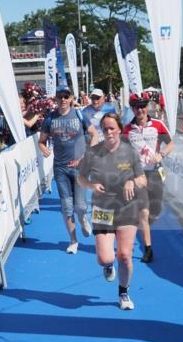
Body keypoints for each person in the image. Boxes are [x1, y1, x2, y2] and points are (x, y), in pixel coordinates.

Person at [78, 113, 147, 311]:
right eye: (105, 128)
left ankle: (123, 292)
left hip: (126, 207)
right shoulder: (92, 153)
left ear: (119, 129)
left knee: (125, 256)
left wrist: (131, 181)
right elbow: (81, 178)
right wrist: (91, 185)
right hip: (102, 209)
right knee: (105, 258)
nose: (108, 132)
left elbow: (143, 180)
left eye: (111, 128)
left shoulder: (130, 152)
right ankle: (108, 266)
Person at [122, 93, 174, 264]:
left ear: (147, 107)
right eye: (136, 107)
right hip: (139, 175)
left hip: (156, 173)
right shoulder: (127, 130)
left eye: (143, 106)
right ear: (132, 109)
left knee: (155, 211)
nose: (140, 110)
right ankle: (148, 249)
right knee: (143, 212)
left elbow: (171, 143)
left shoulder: (158, 125)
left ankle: (142, 227)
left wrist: (161, 155)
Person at [39, 89, 92, 253]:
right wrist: (43, 148)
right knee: (66, 205)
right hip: (60, 167)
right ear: (56, 99)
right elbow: (41, 140)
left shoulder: (79, 115)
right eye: (60, 97)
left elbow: (94, 134)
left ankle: (83, 218)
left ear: (71, 99)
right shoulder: (50, 119)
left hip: (79, 167)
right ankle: (73, 240)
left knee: (81, 206)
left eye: (66, 97)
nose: (63, 99)